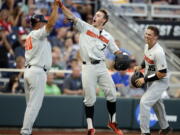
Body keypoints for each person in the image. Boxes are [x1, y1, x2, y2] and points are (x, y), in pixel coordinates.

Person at [57, 1, 124, 135]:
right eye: (95, 14)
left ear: (104, 20)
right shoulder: (85, 27)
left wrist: (124, 57)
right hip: (88, 67)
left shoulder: (108, 36)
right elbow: (72, 16)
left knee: (112, 93)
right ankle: (90, 127)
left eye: (98, 15)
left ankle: (112, 122)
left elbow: (117, 52)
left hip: (101, 66)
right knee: (90, 98)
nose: (95, 16)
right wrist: (61, 6)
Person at [20, 0, 59, 135]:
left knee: (30, 105)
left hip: (30, 70)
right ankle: (25, 132)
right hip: (36, 72)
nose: (45, 23)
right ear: (38, 23)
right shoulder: (37, 34)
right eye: (43, 22)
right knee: (33, 105)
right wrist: (55, 8)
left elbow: (50, 25)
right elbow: (52, 23)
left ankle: (26, 130)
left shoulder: (32, 36)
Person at [134, 26, 172, 135]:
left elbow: (162, 73)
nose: (146, 36)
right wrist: (140, 66)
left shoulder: (159, 52)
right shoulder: (147, 46)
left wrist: (144, 79)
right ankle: (165, 128)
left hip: (160, 81)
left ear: (156, 37)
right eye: (146, 33)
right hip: (151, 78)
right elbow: (147, 59)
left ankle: (145, 132)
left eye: (149, 34)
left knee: (144, 102)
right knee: (157, 104)